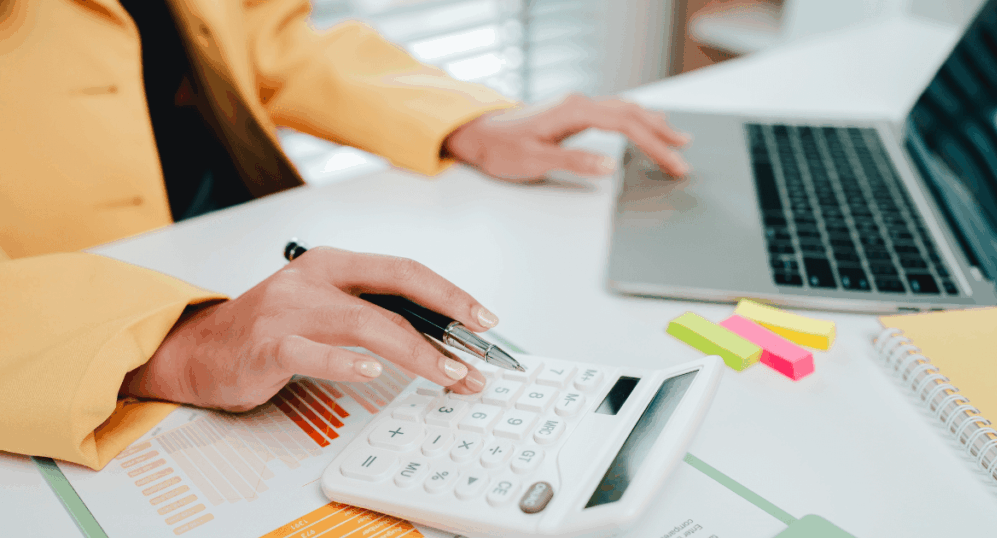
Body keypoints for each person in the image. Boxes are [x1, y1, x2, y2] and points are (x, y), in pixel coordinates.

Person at [0, 0, 689, 470]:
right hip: (66, 320)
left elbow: (269, 38)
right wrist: (175, 346)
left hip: (246, 238)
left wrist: (465, 123)